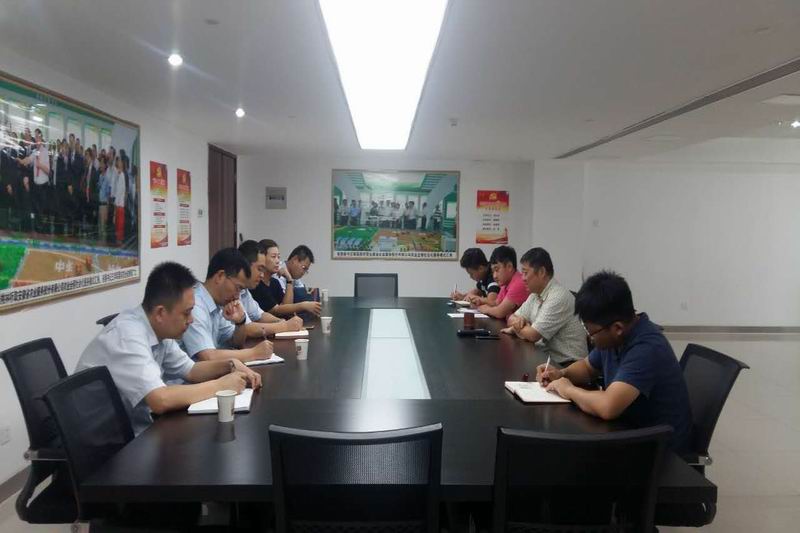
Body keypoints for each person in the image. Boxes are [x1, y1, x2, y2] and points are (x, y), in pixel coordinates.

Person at [76, 262, 262, 435]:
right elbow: (160, 400)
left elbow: (191, 370)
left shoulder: (159, 329)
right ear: (160, 313)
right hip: (102, 442)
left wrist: (230, 365)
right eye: (186, 313)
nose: (191, 320)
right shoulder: (127, 336)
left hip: (134, 429)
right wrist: (220, 386)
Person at [539, 270, 692, 451]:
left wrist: (568, 389)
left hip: (659, 451)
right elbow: (587, 367)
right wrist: (561, 374)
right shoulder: (614, 336)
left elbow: (608, 406)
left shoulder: (647, 348)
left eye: (591, 332)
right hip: (628, 431)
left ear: (617, 328)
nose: (590, 338)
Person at [181, 248, 274, 362]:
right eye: (238, 288)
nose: (237, 296)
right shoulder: (195, 305)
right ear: (220, 276)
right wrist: (254, 353)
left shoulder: (218, 303)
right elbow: (208, 356)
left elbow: (236, 342)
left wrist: (240, 322)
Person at [501, 247, 587, 365]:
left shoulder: (558, 297)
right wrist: (520, 324)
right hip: (546, 358)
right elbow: (511, 318)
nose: (523, 278)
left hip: (567, 364)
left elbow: (533, 335)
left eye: (525, 273)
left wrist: (518, 328)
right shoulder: (535, 294)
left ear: (541, 272)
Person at [237, 240, 303, 336]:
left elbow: (259, 315)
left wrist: (281, 321)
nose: (262, 275)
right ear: (245, 266)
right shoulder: (235, 291)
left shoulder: (244, 291)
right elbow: (247, 328)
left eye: (278, 257)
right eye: (259, 269)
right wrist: (285, 326)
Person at [250, 239, 322, 317]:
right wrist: (303, 305)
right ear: (262, 258)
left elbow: (285, 309)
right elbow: (276, 310)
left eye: (278, 257)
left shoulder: (274, 282)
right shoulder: (257, 284)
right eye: (273, 257)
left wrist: (289, 280)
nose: (277, 261)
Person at [476, 245, 529, 319]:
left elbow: (499, 312)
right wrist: (480, 302)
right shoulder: (505, 284)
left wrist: (486, 309)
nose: (494, 276)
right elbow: (497, 303)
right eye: (493, 271)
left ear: (509, 266)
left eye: (497, 270)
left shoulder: (519, 283)